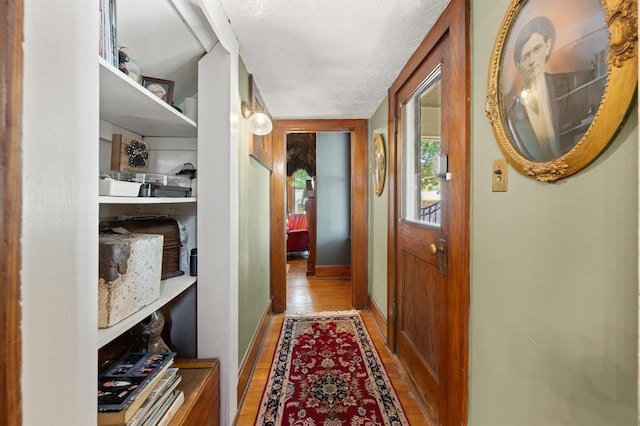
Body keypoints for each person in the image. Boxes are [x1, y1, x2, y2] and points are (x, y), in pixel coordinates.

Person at [507, 16, 598, 162]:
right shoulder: (514, 114)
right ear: (518, 66)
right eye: (525, 57)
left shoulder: (575, 83)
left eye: (537, 49)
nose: (532, 61)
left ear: (547, 47)